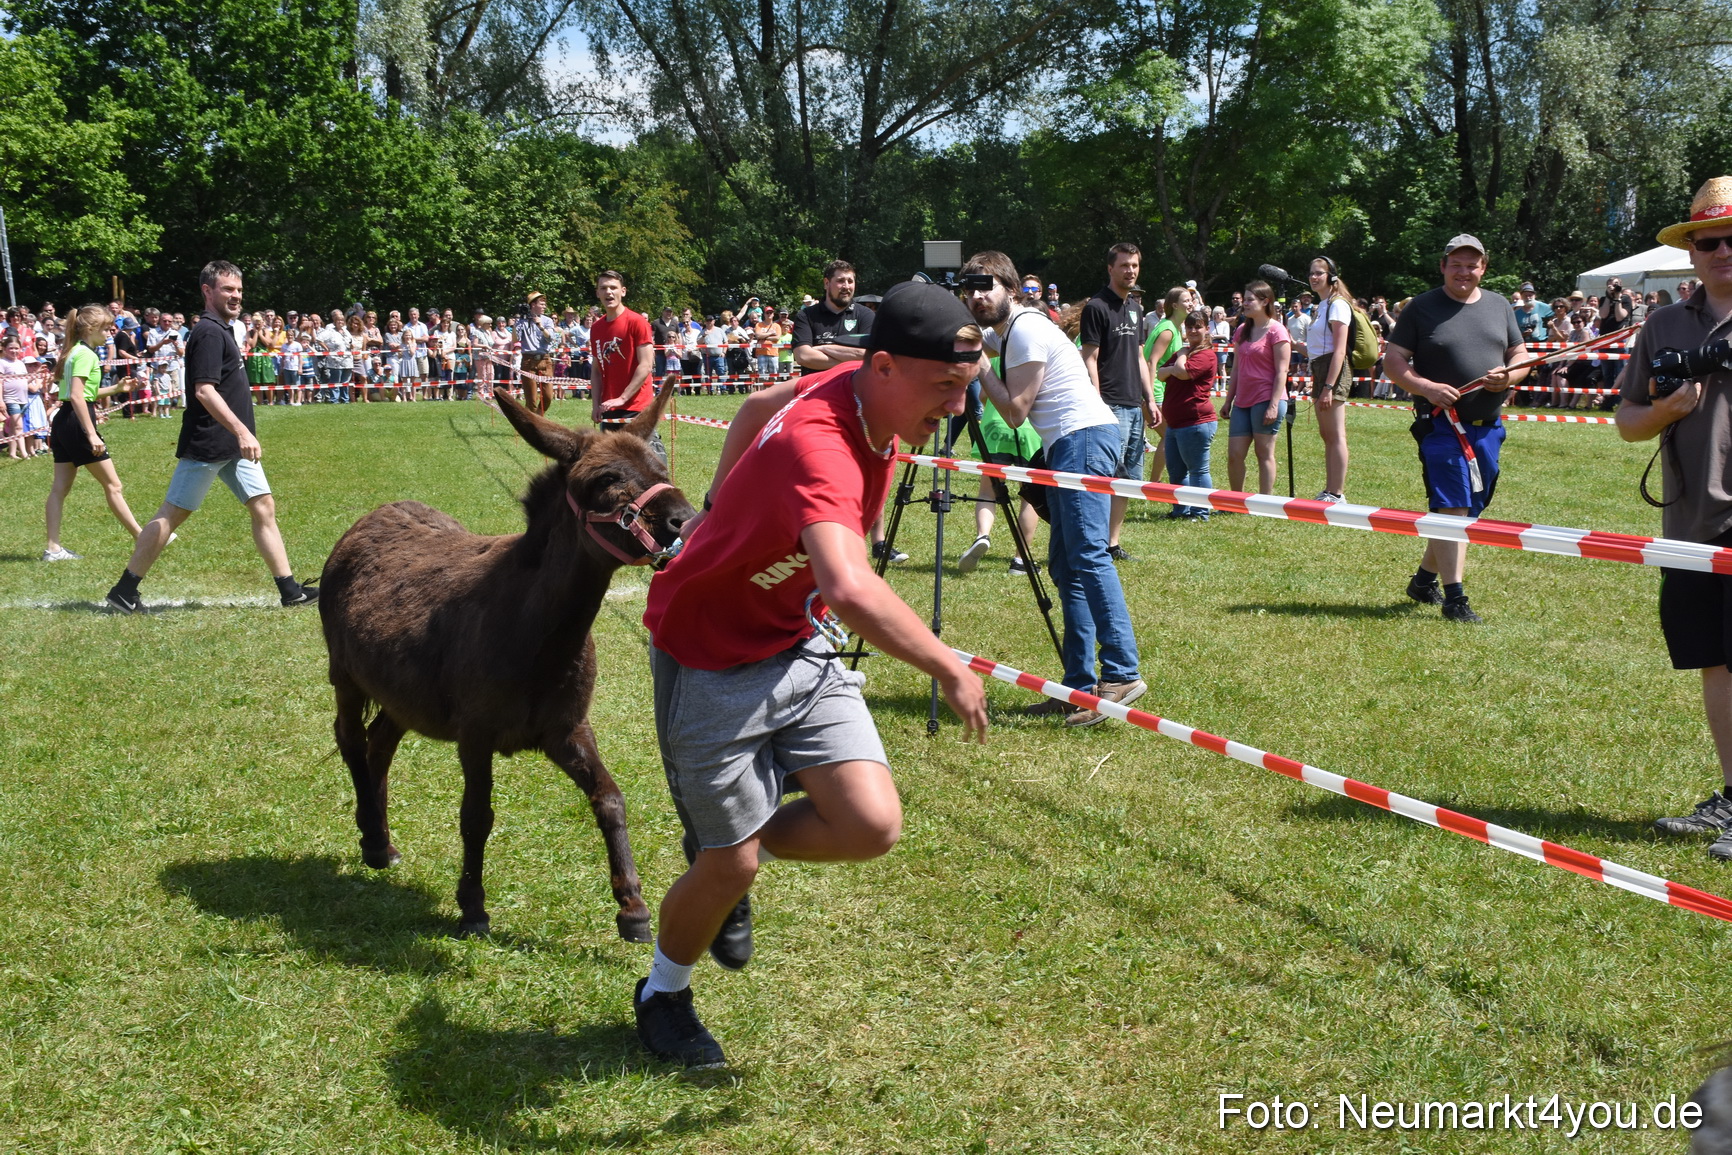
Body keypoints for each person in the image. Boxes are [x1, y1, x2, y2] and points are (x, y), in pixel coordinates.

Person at [632, 280, 990, 1068]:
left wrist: (715, 503)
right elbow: (850, 587)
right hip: (710, 655)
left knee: (869, 825)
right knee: (729, 865)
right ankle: (663, 993)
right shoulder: (821, 447)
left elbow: (758, 402)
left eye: (963, 388)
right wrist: (946, 664)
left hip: (794, 638)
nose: (955, 408)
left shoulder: (856, 386)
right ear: (885, 366)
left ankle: (728, 846)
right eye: (943, 387)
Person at [961, 250, 1146, 727]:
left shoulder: (1024, 329)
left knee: (1088, 554)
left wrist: (981, 367)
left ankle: (1123, 671)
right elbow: (967, 334)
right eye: (968, 290)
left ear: (1011, 288)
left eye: (985, 287)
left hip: (1081, 438)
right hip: (1067, 443)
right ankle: (1079, 688)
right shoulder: (1008, 329)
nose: (977, 297)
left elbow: (1015, 412)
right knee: (1066, 566)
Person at [1614, 177, 1732, 858]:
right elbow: (1628, 421)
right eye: (1708, 241)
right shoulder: (1662, 326)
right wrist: (1664, 410)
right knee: (1714, 660)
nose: (1722, 251)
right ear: (1691, 252)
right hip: (1690, 520)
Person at [105, 261, 318, 613]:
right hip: (210, 442)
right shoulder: (208, 332)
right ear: (207, 291)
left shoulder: (222, 329)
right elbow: (204, 390)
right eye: (227, 289)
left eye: (239, 289)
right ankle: (124, 591)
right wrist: (242, 430)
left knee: (263, 506)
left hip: (231, 444)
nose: (236, 296)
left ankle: (290, 591)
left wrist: (239, 435)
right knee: (172, 514)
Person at [1382, 234, 1529, 623]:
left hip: (1488, 427)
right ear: (1443, 266)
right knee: (1452, 505)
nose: (1464, 272)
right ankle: (1455, 598)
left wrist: (1509, 376)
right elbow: (1393, 361)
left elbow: (1519, 353)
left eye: (1472, 265)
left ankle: (1423, 581)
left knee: (1468, 509)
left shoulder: (1499, 305)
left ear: (1484, 267)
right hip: (1441, 426)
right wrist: (1426, 388)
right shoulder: (1421, 307)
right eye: (1457, 265)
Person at [42, 305, 147, 561]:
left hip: (64, 421)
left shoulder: (74, 352)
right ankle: (144, 538)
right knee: (113, 485)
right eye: (106, 328)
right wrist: (91, 434)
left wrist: (116, 389)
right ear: (90, 329)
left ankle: (53, 549)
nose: (110, 333)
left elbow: (81, 394)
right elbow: (78, 396)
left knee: (59, 488)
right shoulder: (85, 355)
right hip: (78, 422)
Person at [1079, 243, 1157, 562]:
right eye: (1124, 265)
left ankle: (1112, 544)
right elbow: (1089, 358)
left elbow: (1139, 357)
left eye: (1134, 265)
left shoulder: (1136, 308)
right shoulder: (1096, 307)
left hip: (1134, 404)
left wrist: (1150, 399)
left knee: (1125, 479)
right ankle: (1095, 543)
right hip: (1109, 404)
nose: (1130, 271)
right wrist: (1097, 402)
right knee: (1106, 476)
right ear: (1110, 268)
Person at [1219, 280, 1291, 495]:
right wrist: (1228, 401)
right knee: (1235, 454)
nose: (1245, 303)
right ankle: (1237, 500)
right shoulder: (1242, 330)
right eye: (1245, 299)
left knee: (1263, 453)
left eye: (1250, 300)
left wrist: (1273, 405)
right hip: (1242, 401)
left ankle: (1264, 503)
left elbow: (1282, 371)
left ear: (1265, 301)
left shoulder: (1277, 331)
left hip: (1266, 399)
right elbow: (1237, 369)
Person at [587, 270, 665, 460]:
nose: (608, 292)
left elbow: (646, 365)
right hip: (609, 407)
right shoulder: (596, 328)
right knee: (611, 463)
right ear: (598, 293)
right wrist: (596, 404)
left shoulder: (637, 322)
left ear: (623, 291)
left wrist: (622, 398)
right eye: (603, 288)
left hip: (637, 406)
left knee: (646, 462)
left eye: (613, 287)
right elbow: (596, 370)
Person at [1156, 311, 1220, 519]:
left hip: (1195, 422)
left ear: (1207, 329)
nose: (1193, 331)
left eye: (1198, 327)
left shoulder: (1205, 355)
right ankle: (1181, 510)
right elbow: (1160, 373)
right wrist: (1175, 366)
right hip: (1175, 423)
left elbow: (1182, 373)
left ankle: (1200, 512)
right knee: (1176, 471)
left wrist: (1182, 355)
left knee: (1198, 470)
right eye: (1189, 326)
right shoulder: (1185, 354)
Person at [1305, 257, 1354, 503]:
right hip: (1320, 368)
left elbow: (1340, 350)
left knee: (1335, 435)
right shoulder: (1323, 305)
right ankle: (1329, 489)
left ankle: (1336, 493)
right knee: (1327, 435)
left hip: (1332, 371)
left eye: (1319, 273)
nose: (1314, 277)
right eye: (1312, 273)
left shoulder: (1338, 305)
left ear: (1331, 276)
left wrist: (1328, 387)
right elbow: (1319, 347)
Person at [791, 260, 874, 372]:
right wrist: (851, 360)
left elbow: (868, 355)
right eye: (840, 281)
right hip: (818, 383)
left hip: (852, 383)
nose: (846, 286)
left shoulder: (866, 315)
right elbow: (803, 356)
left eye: (850, 281)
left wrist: (823, 348)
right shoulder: (806, 315)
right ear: (826, 283)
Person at [516, 292, 557, 413]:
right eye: (542, 304)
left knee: (548, 397)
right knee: (531, 401)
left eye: (545, 304)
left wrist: (540, 325)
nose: (544, 307)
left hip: (545, 359)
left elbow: (550, 338)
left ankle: (537, 418)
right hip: (528, 360)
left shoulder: (547, 320)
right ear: (533, 305)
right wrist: (516, 323)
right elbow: (515, 339)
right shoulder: (522, 320)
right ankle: (532, 422)